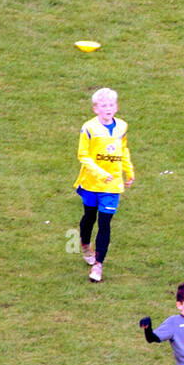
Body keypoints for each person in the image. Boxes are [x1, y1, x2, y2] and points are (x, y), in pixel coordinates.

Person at [74, 87, 135, 283]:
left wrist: (129, 170)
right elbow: (83, 155)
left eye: (110, 105)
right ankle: (85, 244)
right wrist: (101, 173)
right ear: (95, 109)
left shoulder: (122, 127)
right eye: (103, 106)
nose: (107, 109)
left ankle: (98, 265)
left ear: (116, 107)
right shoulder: (89, 128)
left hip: (112, 185)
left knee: (105, 223)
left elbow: (123, 150)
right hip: (91, 183)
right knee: (89, 217)